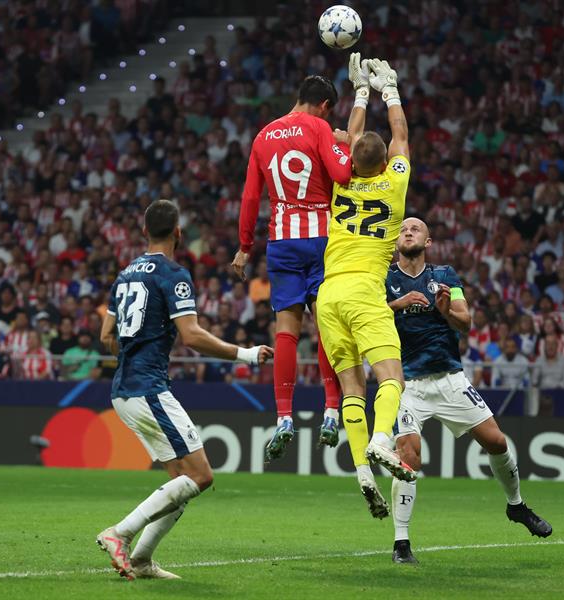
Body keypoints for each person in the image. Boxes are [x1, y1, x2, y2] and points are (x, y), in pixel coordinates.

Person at [96, 200, 272, 581]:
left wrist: (135, 350)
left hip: (123, 390)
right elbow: (191, 335)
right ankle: (120, 534)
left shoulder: (124, 275)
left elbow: (106, 335)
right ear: (178, 233)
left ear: (145, 232)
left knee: (182, 480)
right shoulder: (173, 274)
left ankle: (141, 560)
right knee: (201, 476)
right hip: (148, 389)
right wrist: (246, 354)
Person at [386, 217, 552, 565]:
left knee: (497, 442)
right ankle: (401, 544)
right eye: (403, 229)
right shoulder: (385, 280)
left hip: (450, 378)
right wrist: (397, 305)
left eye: (415, 229)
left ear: (428, 242)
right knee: (408, 458)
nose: (408, 232)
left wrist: (446, 312)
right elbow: (369, 316)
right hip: (407, 383)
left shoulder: (444, 276)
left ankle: (516, 506)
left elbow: (466, 321)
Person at [315, 56, 417, 519]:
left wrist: (359, 92)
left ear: (353, 161)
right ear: (384, 162)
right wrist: (389, 89)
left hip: (327, 294)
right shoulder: (393, 185)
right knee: (391, 378)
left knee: (350, 389)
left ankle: (361, 471)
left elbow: (353, 138)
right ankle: (380, 440)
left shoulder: (342, 183)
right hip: (363, 291)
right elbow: (400, 135)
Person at [232, 72, 352, 458]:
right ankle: (331, 411)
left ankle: (284, 418)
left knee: (286, 332)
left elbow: (251, 197)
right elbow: (342, 174)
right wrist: (344, 145)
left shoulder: (264, 135)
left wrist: (244, 247)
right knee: (327, 328)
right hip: (321, 238)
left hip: (281, 241)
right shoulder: (319, 127)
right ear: (325, 105)